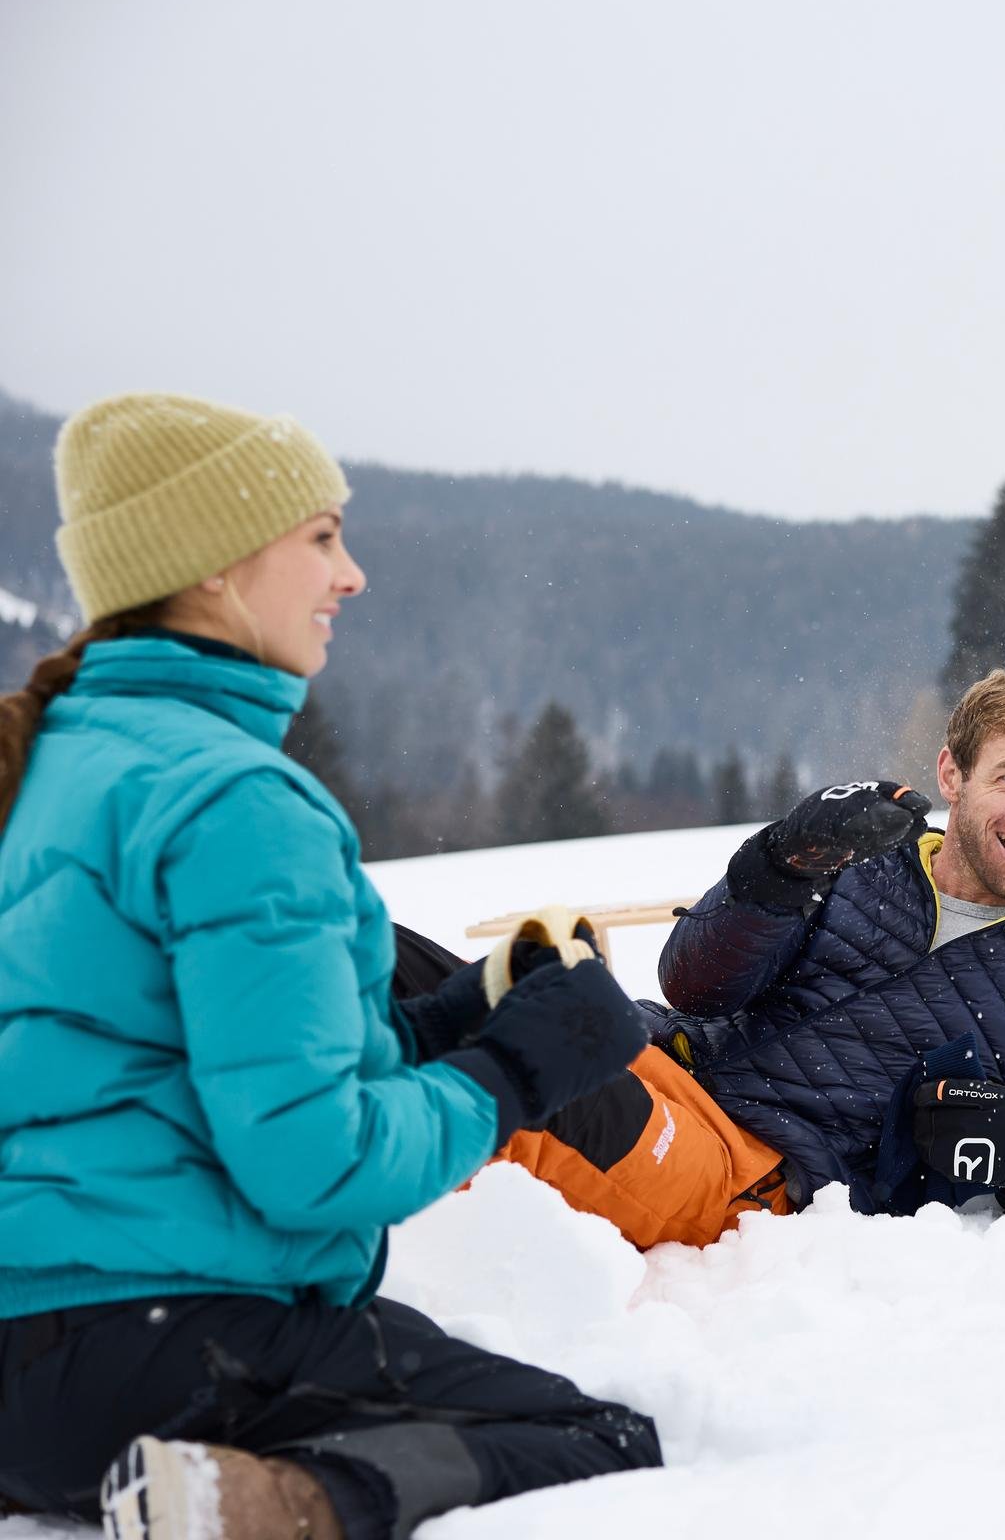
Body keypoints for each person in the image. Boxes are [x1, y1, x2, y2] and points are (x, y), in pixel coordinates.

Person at [0, 394, 659, 1540]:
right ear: (210, 568)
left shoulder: (61, 767)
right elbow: (315, 1163)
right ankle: (271, 1507)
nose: (350, 575)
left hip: (28, 1366)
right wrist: (513, 1071)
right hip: (165, 1345)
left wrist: (457, 1014)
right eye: (320, 537)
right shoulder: (238, 800)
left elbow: (197, 1072)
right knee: (601, 1441)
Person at [490, 669, 1005, 1247]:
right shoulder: (862, 856)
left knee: (511, 1092)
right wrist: (781, 863)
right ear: (953, 774)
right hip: (657, 1056)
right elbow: (691, 986)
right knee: (430, 987)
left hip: (751, 1163)